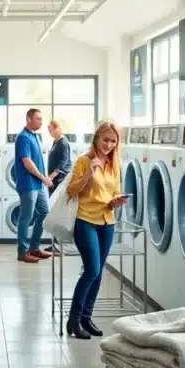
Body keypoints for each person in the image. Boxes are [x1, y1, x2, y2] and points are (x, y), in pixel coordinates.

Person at [65, 120, 129, 339]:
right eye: (105, 140)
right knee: (91, 270)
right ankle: (74, 319)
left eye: (113, 141)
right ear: (96, 138)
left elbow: (114, 191)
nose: (109, 145)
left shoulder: (114, 163)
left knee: (99, 272)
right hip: (86, 221)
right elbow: (71, 191)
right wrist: (88, 175)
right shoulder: (84, 161)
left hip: (107, 221)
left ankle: (86, 318)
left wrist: (116, 200)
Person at [14, 108, 53, 264]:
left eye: (41, 119)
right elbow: (27, 162)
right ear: (29, 119)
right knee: (26, 217)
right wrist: (43, 178)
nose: (41, 122)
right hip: (28, 184)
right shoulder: (23, 137)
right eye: (38, 119)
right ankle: (22, 252)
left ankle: (34, 248)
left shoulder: (35, 136)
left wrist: (43, 179)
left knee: (45, 213)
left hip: (38, 184)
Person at [47, 119, 72, 195]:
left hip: (60, 178)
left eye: (50, 130)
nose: (50, 132)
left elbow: (63, 161)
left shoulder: (63, 143)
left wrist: (51, 176)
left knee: (55, 199)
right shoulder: (55, 141)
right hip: (54, 178)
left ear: (57, 129)